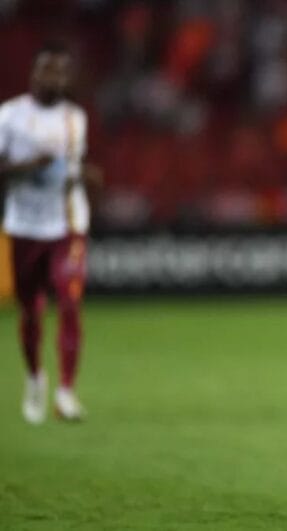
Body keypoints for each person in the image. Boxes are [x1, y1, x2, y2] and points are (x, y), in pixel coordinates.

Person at [0, 42, 100, 424]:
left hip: (67, 223)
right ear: (34, 74)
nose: (54, 78)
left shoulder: (75, 118)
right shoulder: (9, 116)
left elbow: (73, 169)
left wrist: (89, 179)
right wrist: (26, 166)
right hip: (25, 224)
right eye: (48, 71)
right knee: (31, 310)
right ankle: (34, 378)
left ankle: (66, 392)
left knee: (70, 299)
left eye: (61, 72)